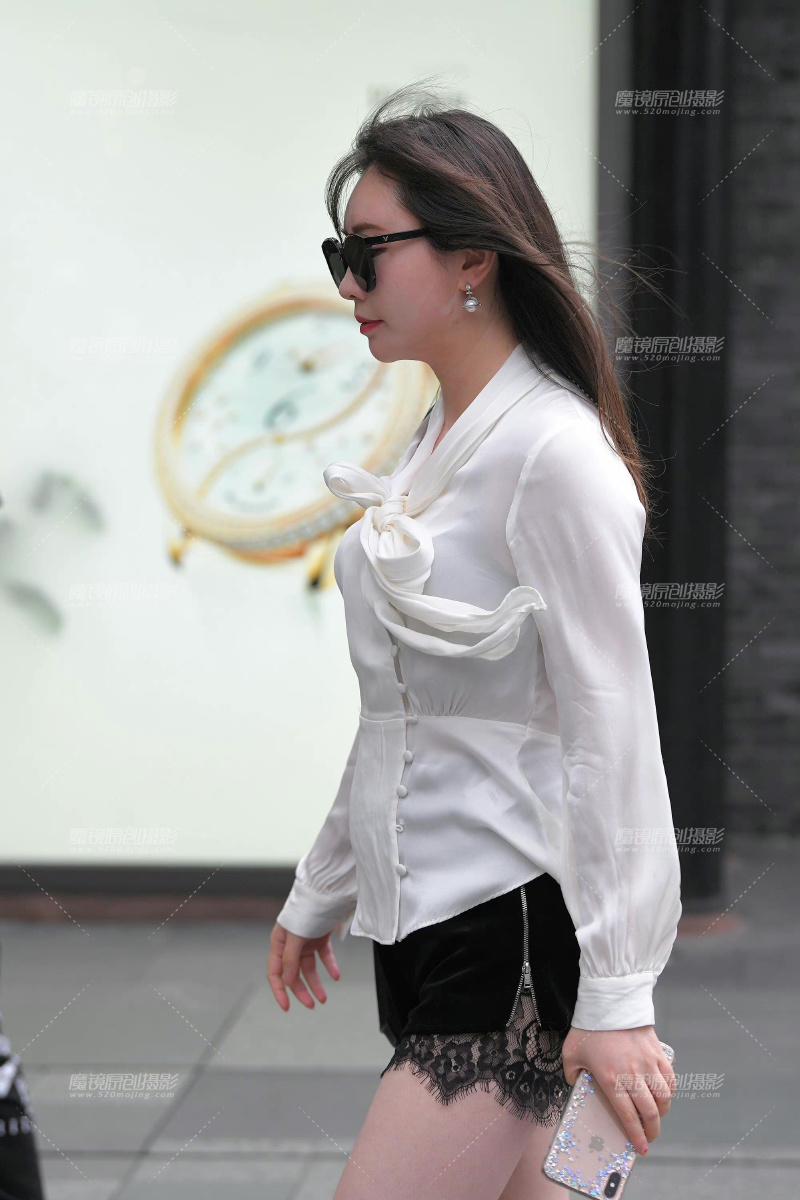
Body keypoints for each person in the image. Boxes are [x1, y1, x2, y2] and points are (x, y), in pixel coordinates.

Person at [267, 81, 681, 1200]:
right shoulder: (433, 444)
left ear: (471, 259)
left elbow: (612, 728)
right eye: (338, 255)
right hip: (431, 933)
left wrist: (619, 997)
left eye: (369, 253)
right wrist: (323, 885)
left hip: (515, 946)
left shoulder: (553, 454)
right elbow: (402, 715)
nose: (346, 285)